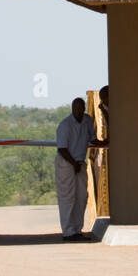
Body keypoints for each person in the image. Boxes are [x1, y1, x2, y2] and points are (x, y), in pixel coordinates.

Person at [55, 97, 97, 241]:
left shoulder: (88, 121)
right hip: (67, 163)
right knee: (67, 196)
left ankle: (77, 229)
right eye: (76, 108)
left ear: (84, 108)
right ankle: (68, 232)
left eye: (81, 108)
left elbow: (92, 138)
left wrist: (106, 141)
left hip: (79, 162)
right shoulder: (65, 125)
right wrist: (73, 164)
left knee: (81, 197)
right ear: (72, 109)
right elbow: (62, 148)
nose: (78, 110)